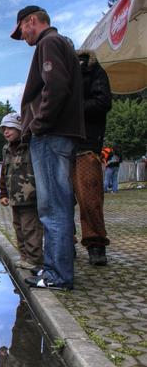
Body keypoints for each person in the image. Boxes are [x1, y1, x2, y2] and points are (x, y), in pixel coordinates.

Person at [11, 5, 85, 290]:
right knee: (56, 205)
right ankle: (55, 269)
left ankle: (57, 274)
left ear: (31, 21)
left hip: (51, 135)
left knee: (53, 207)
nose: (23, 37)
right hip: (58, 134)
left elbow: (56, 87)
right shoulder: (59, 43)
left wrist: (38, 125)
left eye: (21, 31)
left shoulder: (49, 42)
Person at [73, 49, 112, 265]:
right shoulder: (60, 74)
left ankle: (95, 244)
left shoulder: (93, 71)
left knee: (90, 198)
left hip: (86, 144)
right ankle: (66, 243)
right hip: (61, 146)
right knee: (61, 201)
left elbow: (103, 102)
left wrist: (73, 108)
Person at [0, 113, 44, 271]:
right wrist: (3, 193)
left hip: (30, 197)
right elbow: (4, 172)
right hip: (14, 198)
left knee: (30, 228)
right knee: (18, 227)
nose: (6, 131)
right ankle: (24, 256)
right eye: (4, 128)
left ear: (20, 128)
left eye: (10, 128)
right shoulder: (6, 149)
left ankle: (35, 259)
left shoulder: (29, 146)